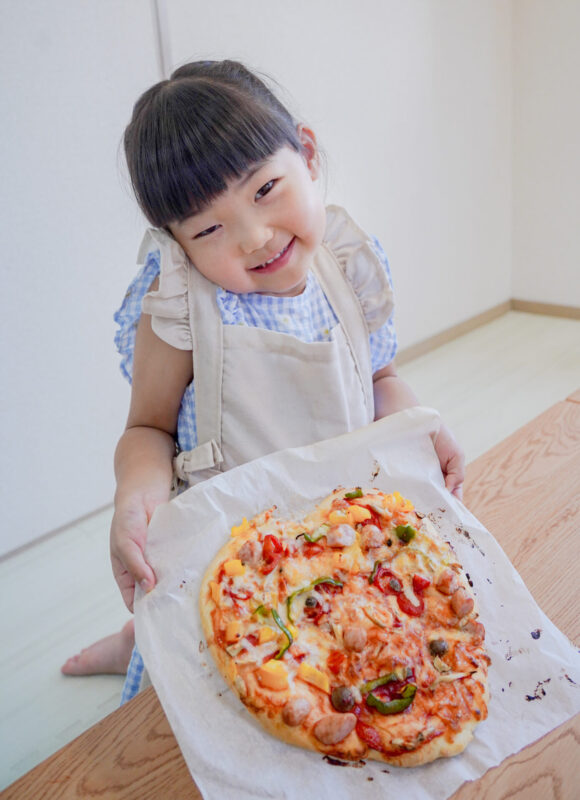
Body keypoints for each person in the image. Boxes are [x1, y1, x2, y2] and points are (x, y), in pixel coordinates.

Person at [61, 60, 464, 696]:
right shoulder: (180, 304)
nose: (254, 237)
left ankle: (131, 638)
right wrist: (135, 494)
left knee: (344, 671)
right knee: (205, 677)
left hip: (341, 537)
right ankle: (132, 643)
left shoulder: (348, 266)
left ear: (305, 153)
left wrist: (420, 426)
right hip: (229, 553)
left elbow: (381, 376)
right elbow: (147, 426)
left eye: (265, 189)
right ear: (177, 242)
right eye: (210, 228)